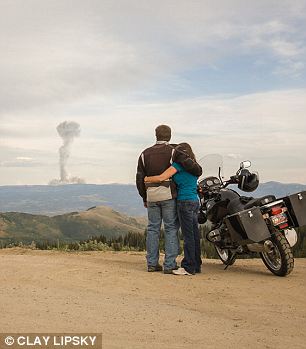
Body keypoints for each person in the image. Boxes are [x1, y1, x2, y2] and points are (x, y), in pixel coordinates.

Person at [136, 126, 202, 274]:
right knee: (171, 228)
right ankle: (169, 264)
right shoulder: (174, 152)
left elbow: (139, 177)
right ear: (170, 136)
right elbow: (192, 168)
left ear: (155, 135)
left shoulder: (144, 153)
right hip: (169, 195)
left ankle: (152, 264)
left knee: (153, 228)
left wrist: (144, 196)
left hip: (152, 195)